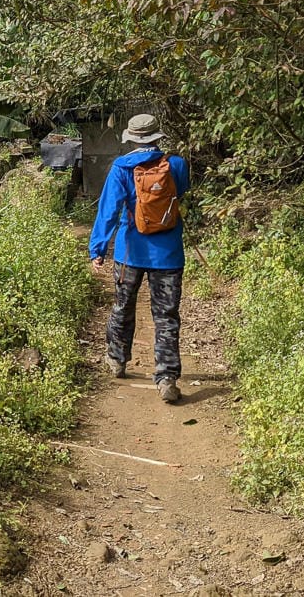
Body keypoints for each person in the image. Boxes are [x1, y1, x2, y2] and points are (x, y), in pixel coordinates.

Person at [89, 113, 190, 403]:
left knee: (123, 307)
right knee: (166, 317)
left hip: (129, 251)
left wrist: (98, 248)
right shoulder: (177, 164)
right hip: (169, 254)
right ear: (157, 136)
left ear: (131, 138)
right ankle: (167, 377)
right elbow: (178, 193)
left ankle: (117, 360)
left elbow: (108, 210)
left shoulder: (121, 167)